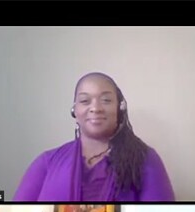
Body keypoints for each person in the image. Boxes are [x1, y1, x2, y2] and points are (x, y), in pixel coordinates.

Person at [13, 72, 176, 202]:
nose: (96, 108)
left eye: (106, 100)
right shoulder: (46, 162)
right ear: (74, 111)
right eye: (85, 101)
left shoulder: (145, 159)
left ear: (119, 108)